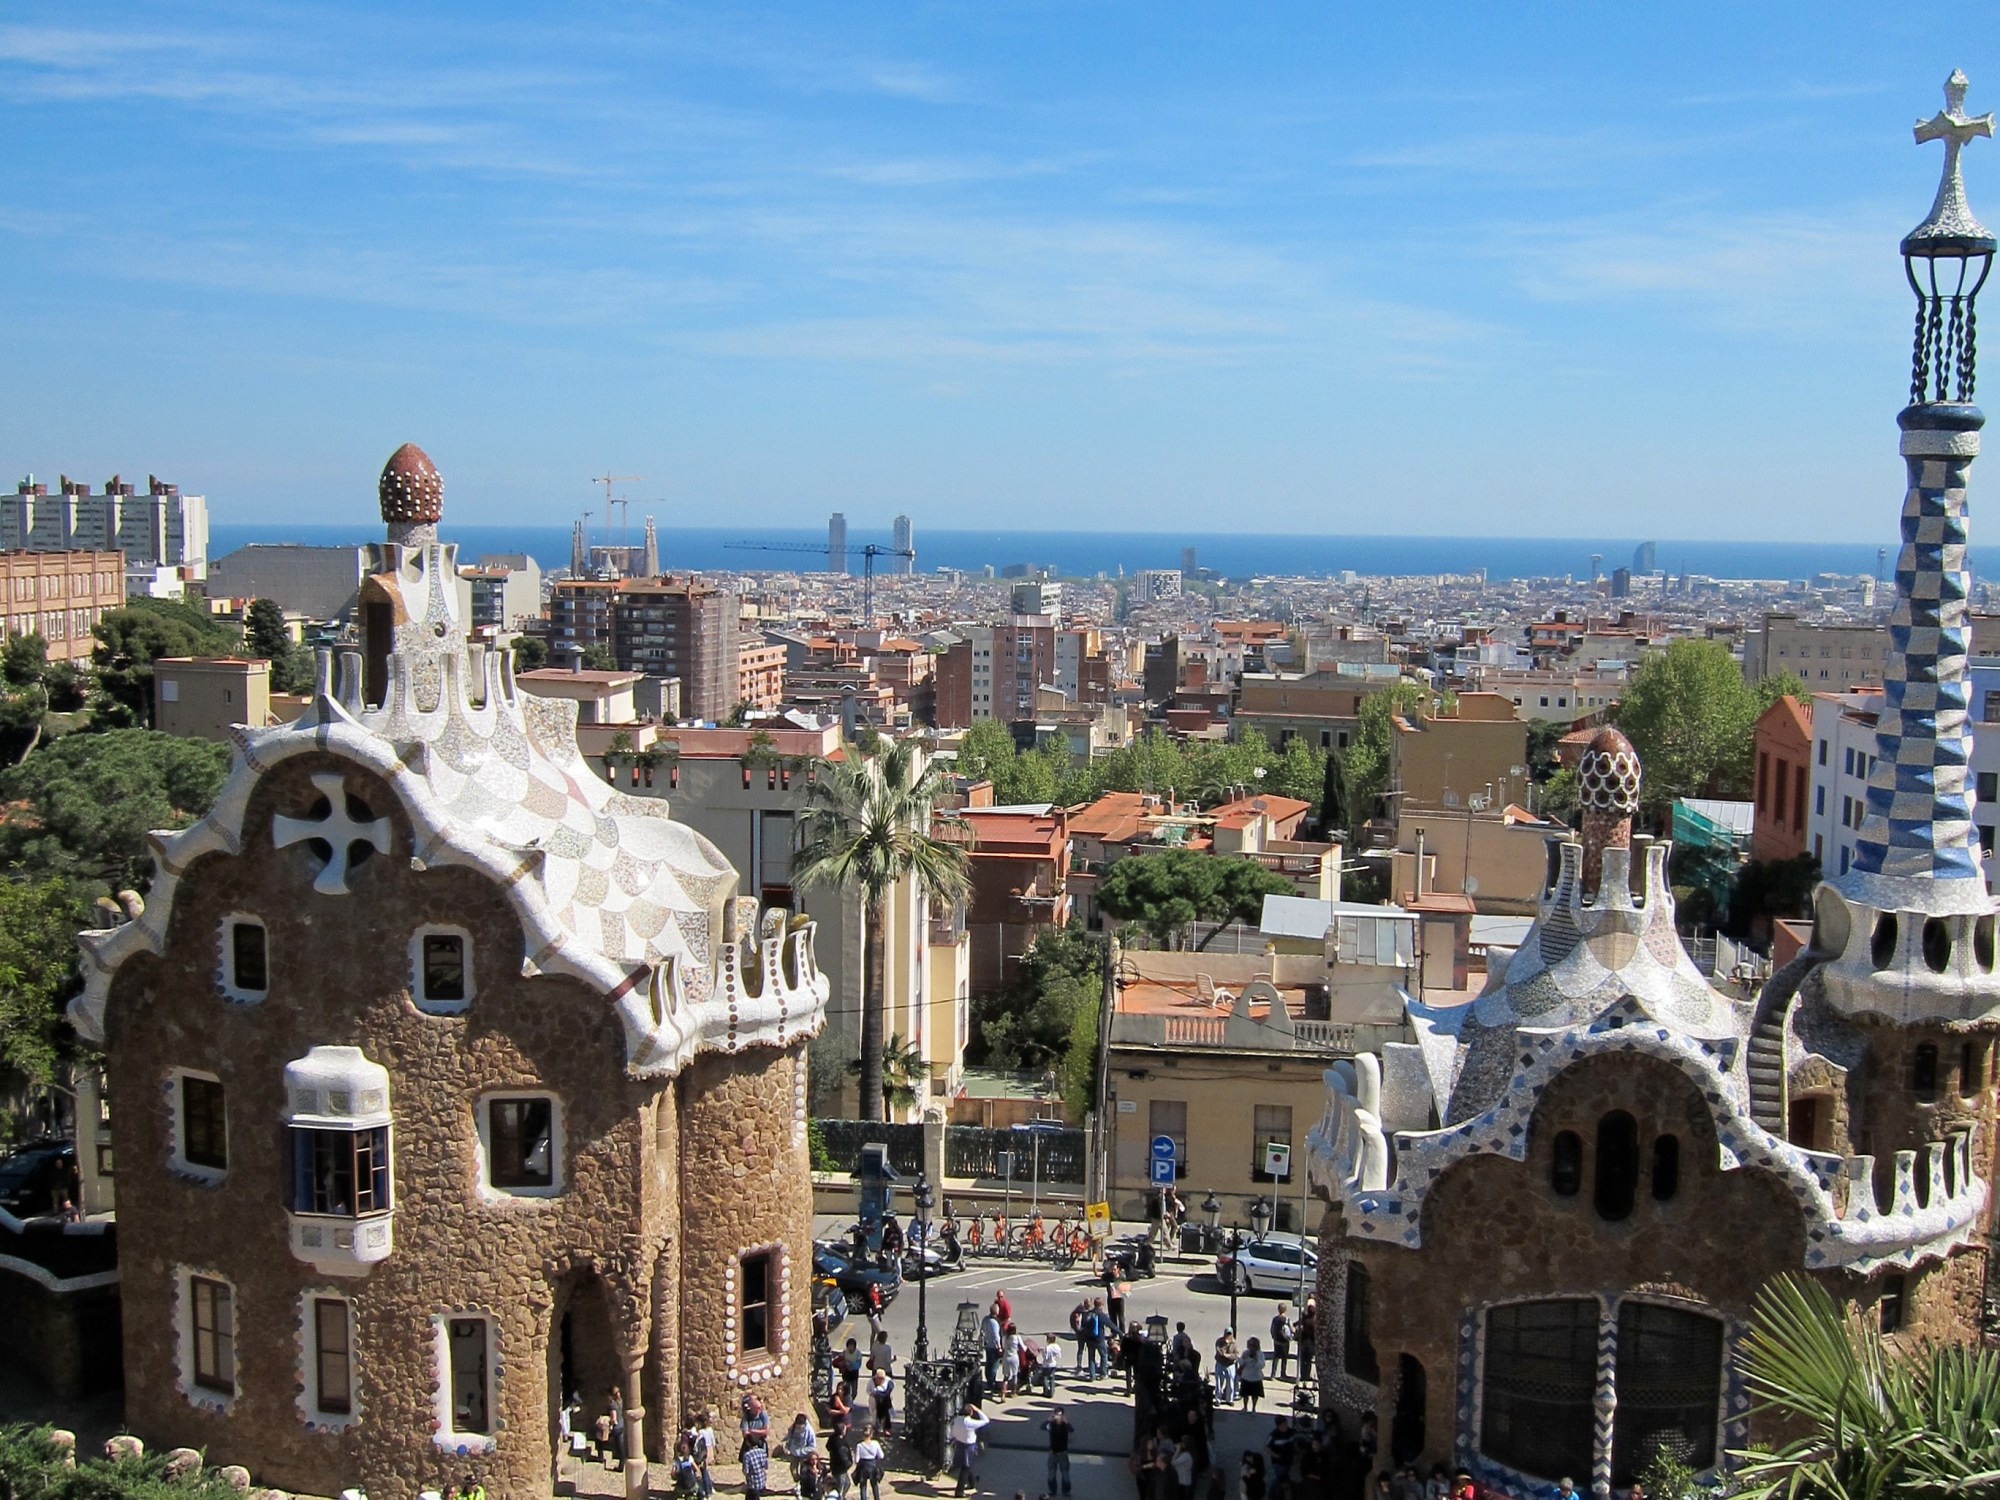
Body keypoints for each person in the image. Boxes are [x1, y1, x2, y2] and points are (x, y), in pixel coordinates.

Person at [948, 1401, 991, 1497]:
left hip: (959, 1443)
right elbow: (986, 1420)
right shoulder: (970, 1422)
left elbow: (953, 1433)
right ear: (970, 1412)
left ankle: (972, 1482)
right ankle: (959, 1491)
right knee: (966, 1467)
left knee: (966, 1464)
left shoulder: (957, 1420)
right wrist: (977, 1410)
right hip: (968, 1446)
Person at [1043, 1406, 1073, 1497]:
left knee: (1065, 1473)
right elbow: (1042, 1427)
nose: (1057, 1417)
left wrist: (1066, 1421)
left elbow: (1071, 1429)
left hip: (1063, 1453)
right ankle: (1053, 1491)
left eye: (1059, 1415)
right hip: (1052, 1452)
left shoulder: (1065, 1425)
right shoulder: (1051, 1425)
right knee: (1051, 1473)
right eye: (1056, 1414)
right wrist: (1048, 1420)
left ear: (1062, 1416)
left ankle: (1066, 1491)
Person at [784, 1412, 819, 1488]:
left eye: (801, 1428)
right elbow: (789, 1437)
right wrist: (787, 1447)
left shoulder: (809, 1431)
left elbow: (812, 1446)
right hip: (794, 1453)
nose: (799, 1429)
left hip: (805, 1454)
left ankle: (802, 1486)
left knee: (804, 1471)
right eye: (798, 1427)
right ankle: (798, 1481)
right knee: (793, 1470)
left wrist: (802, 1451)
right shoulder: (793, 1428)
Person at [852, 1425, 886, 1500]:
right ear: (871, 1434)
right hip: (873, 1465)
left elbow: (857, 1460)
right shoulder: (875, 1443)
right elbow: (881, 1456)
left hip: (863, 1466)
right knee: (874, 1485)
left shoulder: (859, 1445)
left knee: (863, 1486)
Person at [691, 1409, 718, 1499]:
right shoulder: (710, 1430)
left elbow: (697, 1442)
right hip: (709, 1450)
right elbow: (713, 1442)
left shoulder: (701, 1432)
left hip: (704, 1452)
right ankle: (710, 1487)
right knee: (706, 1470)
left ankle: (708, 1491)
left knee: (704, 1472)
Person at [1237, 1336, 1266, 1414]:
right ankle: (1245, 1407)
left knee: (1255, 1395)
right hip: (1246, 1376)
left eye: (1253, 1345)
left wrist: (1256, 1359)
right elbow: (1241, 1363)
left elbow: (1262, 1365)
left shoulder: (1260, 1354)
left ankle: (1253, 1408)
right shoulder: (1245, 1353)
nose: (1251, 1347)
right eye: (1250, 1345)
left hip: (1256, 1377)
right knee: (1245, 1395)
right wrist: (1243, 1358)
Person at [825, 1420, 853, 1500]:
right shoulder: (840, 1443)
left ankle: (841, 1497)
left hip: (835, 1465)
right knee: (841, 1486)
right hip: (840, 1468)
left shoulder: (832, 1438)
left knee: (847, 1483)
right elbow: (842, 1456)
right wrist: (848, 1464)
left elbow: (828, 1447)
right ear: (842, 1431)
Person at [981, 1306, 1005, 1396]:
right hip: (993, 1347)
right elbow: (996, 1336)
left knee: (988, 1364)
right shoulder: (994, 1322)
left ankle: (989, 1381)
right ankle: (992, 1384)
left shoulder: (985, 1319)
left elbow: (982, 1331)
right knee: (994, 1366)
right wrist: (999, 1347)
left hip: (988, 1345)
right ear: (996, 1312)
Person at [742, 1432, 770, 1500]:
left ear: (748, 1443)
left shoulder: (747, 1455)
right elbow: (766, 1467)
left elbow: (746, 1471)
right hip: (762, 1482)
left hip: (753, 1484)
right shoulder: (763, 1452)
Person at [1213, 1328, 1239, 1404]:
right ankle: (1218, 1400)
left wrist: (1228, 1356)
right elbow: (1219, 1350)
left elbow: (1236, 1355)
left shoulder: (1234, 1344)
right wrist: (1225, 1346)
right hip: (1220, 1364)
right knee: (1219, 1383)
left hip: (1230, 1365)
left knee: (1230, 1384)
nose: (1228, 1335)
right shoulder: (1219, 1341)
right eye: (1227, 1333)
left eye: (1229, 1334)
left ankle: (1229, 1400)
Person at [1269, 1306, 1294, 1380]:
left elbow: (1271, 1329)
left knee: (1276, 1357)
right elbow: (1292, 1329)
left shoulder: (1275, 1319)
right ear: (1285, 1310)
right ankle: (1282, 1374)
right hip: (1285, 1342)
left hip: (1277, 1341)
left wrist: (1274, 1337)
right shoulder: (1287, 1319)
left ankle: (1273, 1374)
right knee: (1284, 1358)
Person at [869, 1364, 895, 1433]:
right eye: (878, 1378)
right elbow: (868, 1390)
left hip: (885, 1401)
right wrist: (874, 1394)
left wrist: (877, 1393)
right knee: (875, 1414)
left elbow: (887, 1392)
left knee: (886, 1414)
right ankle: (876, 1428)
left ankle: (887, 1428)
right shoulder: (872, 1381)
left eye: (881, 1378)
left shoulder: (889, 1381)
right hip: (875, 1400)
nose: (880, 1380)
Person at [1297, 1298, 1317, 1383]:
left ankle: (1303, 1375)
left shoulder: (1305, 1318)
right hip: (1311, 1342)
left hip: (1304, 1341)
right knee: (1308, 1360)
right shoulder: (1314, 1320)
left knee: (1304, 1359)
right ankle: (1306, 1376)